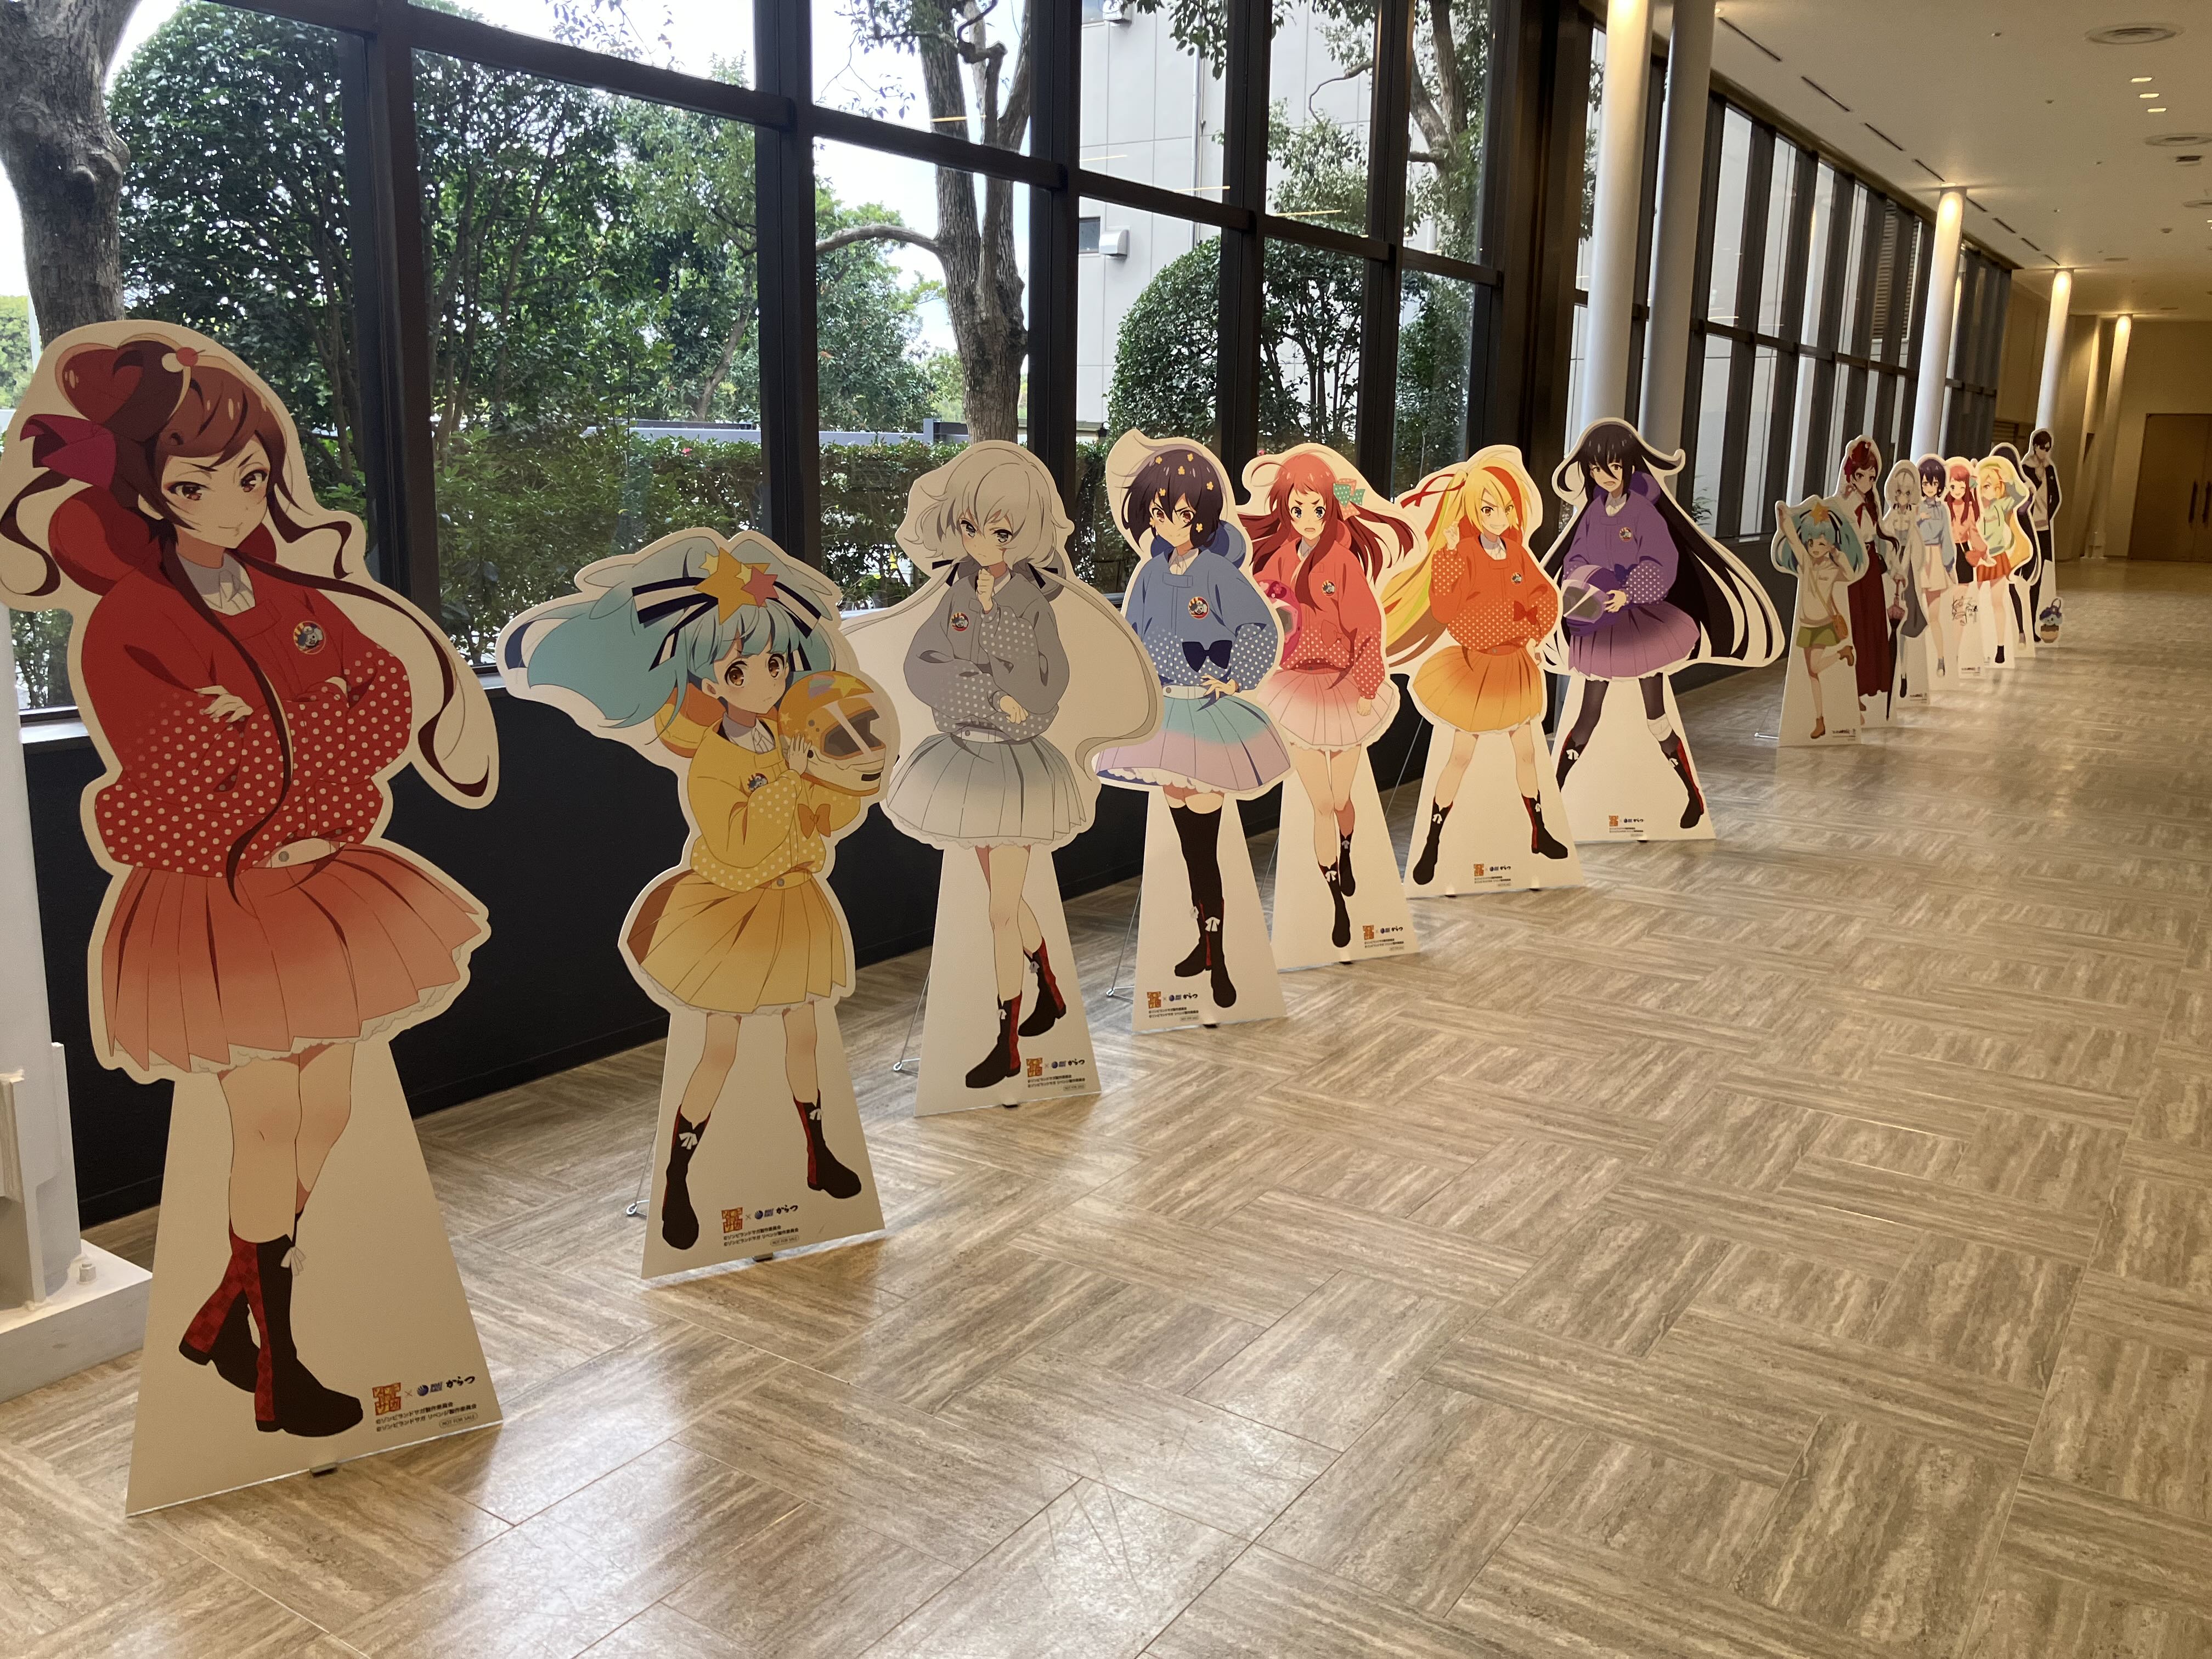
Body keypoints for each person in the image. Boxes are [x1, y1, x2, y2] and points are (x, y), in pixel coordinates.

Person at [0, 333, 495, 1437]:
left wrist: (281, 744)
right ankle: (282, 1355)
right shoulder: (131, 619)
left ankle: (230, 1303)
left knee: (331, 1105)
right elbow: (174, 774)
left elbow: (379, 700)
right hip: (214, 902)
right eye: (199, 481)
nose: (235, 498)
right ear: (151, 491)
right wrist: (291, 740)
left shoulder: (286, 590)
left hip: (322, 884)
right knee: (267, 1117)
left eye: (251, 475)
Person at [505, 533, 885, 1248]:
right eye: (742, 669)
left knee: (805, 1033)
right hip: (731, 913)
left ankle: (816, 1153)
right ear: (711, 685)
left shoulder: (791, 733)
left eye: (776, 663)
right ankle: (681, 1179)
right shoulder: (713, 759)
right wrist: (792, 780)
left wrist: (839, 774)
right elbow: (738, 840)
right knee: (721, 1047)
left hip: (795, 904)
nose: (766, 679)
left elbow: (827, 815)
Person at [876, 444, 1154, 1086]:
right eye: (971, 527)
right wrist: (981, 685)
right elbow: (924, 666)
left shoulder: (1032, 599)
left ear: (1024, 534)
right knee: (1005, 899)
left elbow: (1042, 688)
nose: (983, 542)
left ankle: (1007, 1040)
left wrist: (989, 645)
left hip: (1015, 765)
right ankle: (1048, 987)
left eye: (1000, 532)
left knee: (1001, 909)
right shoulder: (956, 591)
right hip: (964, 756)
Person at [1093, 437, 1287, 1007]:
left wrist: (1235, 678)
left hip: (1205, 717)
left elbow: (1258, 627)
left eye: (1174, 511)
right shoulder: (1151, 575)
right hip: (1165, 718)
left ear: (1200, 516)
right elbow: (1133, 639)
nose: (1163, 520)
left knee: (1203, 846)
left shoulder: (1219, 573)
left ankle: (1218, 954)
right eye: (1156, 511)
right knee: (1189, 847)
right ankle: (1207, 944)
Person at [1545, 420, 1781, 830]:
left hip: (1641, 624)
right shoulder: (1593, 513)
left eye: (1613, 466)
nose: (1605, 475)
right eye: (1597, 468)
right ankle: (1554, 799)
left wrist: (1628, 592)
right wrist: (1584, 584)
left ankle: (1691, 796)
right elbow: (1575, 558)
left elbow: (1661, 562)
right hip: (1600, 624)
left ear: (1628, 466)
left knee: (1656, 716)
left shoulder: (1643, 512)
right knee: (1587, 716)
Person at [1239, 447, 1414, 949]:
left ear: (1330, 508)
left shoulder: (1343, 561)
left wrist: (1367, 685)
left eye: (1317, 508)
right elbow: (1261, 621)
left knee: (1340, 799)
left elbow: (1367, 626)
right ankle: (1336, 898)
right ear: (1285, 510)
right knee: (1321, 802)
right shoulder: (1274, 561)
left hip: (1344, 687)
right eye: (1297, 508)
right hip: (1293, 688)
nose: (1308, 518)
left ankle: (1347, 846)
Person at [1385, 445, 1569, 879]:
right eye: (1489, 509)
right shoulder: (1463, 552)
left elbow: (1543, 596)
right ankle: (1433, 842)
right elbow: (1445, 609)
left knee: (1527, 752)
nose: (1499, 518)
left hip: (1516, 667)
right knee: (1461, 755)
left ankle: (1540, 830)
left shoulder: (1517, 553)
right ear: (1473, 511)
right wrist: (1449, 556)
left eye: (1505, 508)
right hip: (1475, 669)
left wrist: (1535, 634)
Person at [1771, 495, 1866, 740]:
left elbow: (1851, 575)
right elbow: (1792, 538)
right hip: (1806, 625)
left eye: (1821, 544)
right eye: (1811, 542)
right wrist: (1783, 515)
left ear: (1830, 545)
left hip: (1824, 625)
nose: (1814, 548)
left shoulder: (1833, 569)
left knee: (1814, 667)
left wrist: (1838, 555)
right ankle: (1820, 721)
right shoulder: (1805, 562)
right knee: (1813, 674)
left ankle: (1843, 652)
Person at [1832, 437, 1897, 718]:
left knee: (1871, 623)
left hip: (1869, 566)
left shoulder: (1871, 502)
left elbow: (1880, 531)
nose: (1868, 482)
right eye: (1862, 475)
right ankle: (1851, 689)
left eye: (1872, 477)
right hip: (1851, 566)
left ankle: (1865, 685)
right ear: (1851, 474)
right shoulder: (1843, 503)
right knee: (1855, 623)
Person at [1911, 455, 1958, 680]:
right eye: (1925, 483)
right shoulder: (1915, 509)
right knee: (1913, 612)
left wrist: (1949, 565)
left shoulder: (1942, 510)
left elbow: (1947, 538)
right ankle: (1913, 662)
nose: (1930, 487)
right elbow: (1907, 532)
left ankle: (1940, 660)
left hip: (1936, 560)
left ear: (1939, 485)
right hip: (1918, 558)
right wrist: (1918, 518)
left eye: (1934, 483)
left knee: (1934, 616)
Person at [2021, 426, 2064, 641]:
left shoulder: (2050, 469)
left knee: (2039, 579)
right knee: (2027, 576)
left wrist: (2047, 516)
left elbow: (2056, 497)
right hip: (2028, 530)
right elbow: (2023, 495)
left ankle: (2032, 627)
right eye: (2043, 448)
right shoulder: (2025, 468)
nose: (2046, 452)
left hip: (2044, 530)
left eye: (2049, 449)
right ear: (2035, 447)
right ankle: (2021, 626)